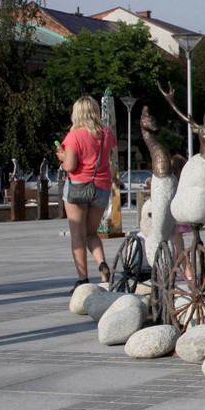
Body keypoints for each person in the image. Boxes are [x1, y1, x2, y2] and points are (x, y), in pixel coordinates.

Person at [56, 96, 116, 294]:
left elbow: (71, 166)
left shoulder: (74, 136)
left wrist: (63, 157)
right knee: (92, 233)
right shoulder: (106, 133)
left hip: (79, 187)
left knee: (78, 236)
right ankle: (103, 266)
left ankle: (82, 280)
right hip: (101, 187)